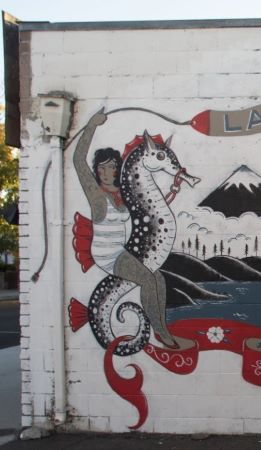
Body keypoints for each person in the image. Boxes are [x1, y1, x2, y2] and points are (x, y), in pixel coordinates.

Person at [74, 109, 178, 348]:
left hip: (123, 249)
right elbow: (78, 161)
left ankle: (161, 327)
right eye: (101, 169)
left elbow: (149, 212)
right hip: (108, 254)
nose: (106, 173)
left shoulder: (122, 194)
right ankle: (162, 333)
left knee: (159, 279)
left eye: (111, 168)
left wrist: (171, 193)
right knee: (148, 281)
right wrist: (91, 125)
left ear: (118, 168)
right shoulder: (97, 196)